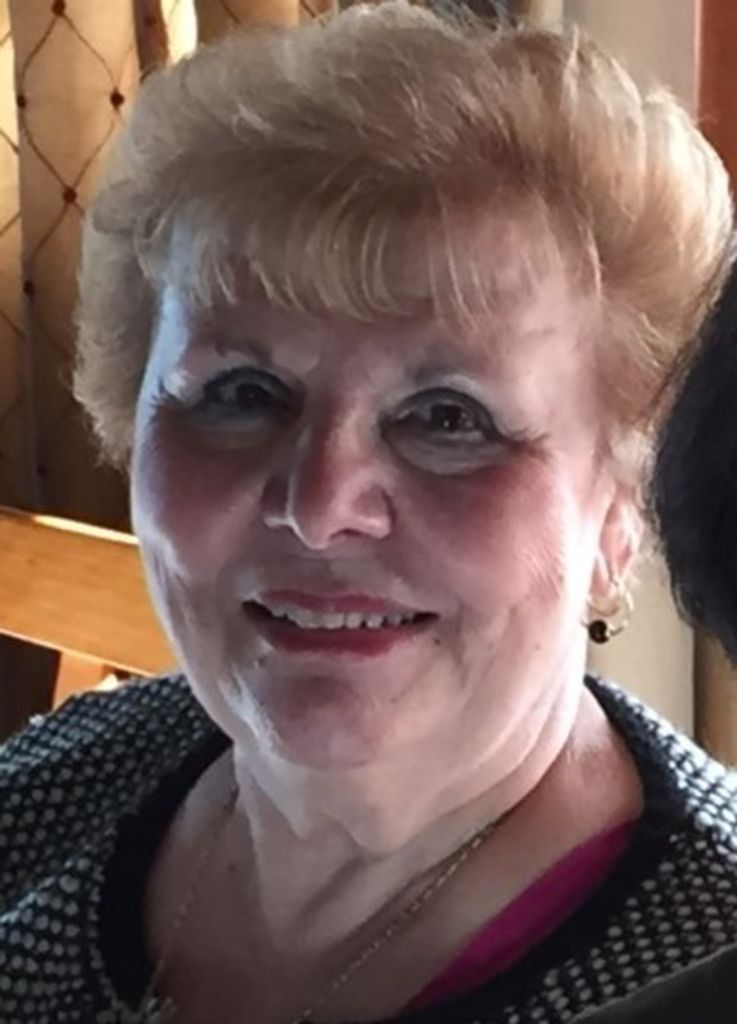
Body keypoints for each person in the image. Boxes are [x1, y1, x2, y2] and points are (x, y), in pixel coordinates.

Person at [1, 3, 735, 1022]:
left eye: (447, 418)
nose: (319, 506)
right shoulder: (56, 780)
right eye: (242, 394)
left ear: (622, 510)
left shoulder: (706, 955)